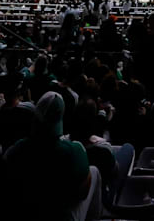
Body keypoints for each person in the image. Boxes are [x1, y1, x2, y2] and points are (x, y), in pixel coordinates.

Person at [9, 92, 102, 221]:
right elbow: (83, 192)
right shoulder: (74, 150)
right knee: (94, 171)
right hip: (60, 215)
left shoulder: (16, 149)